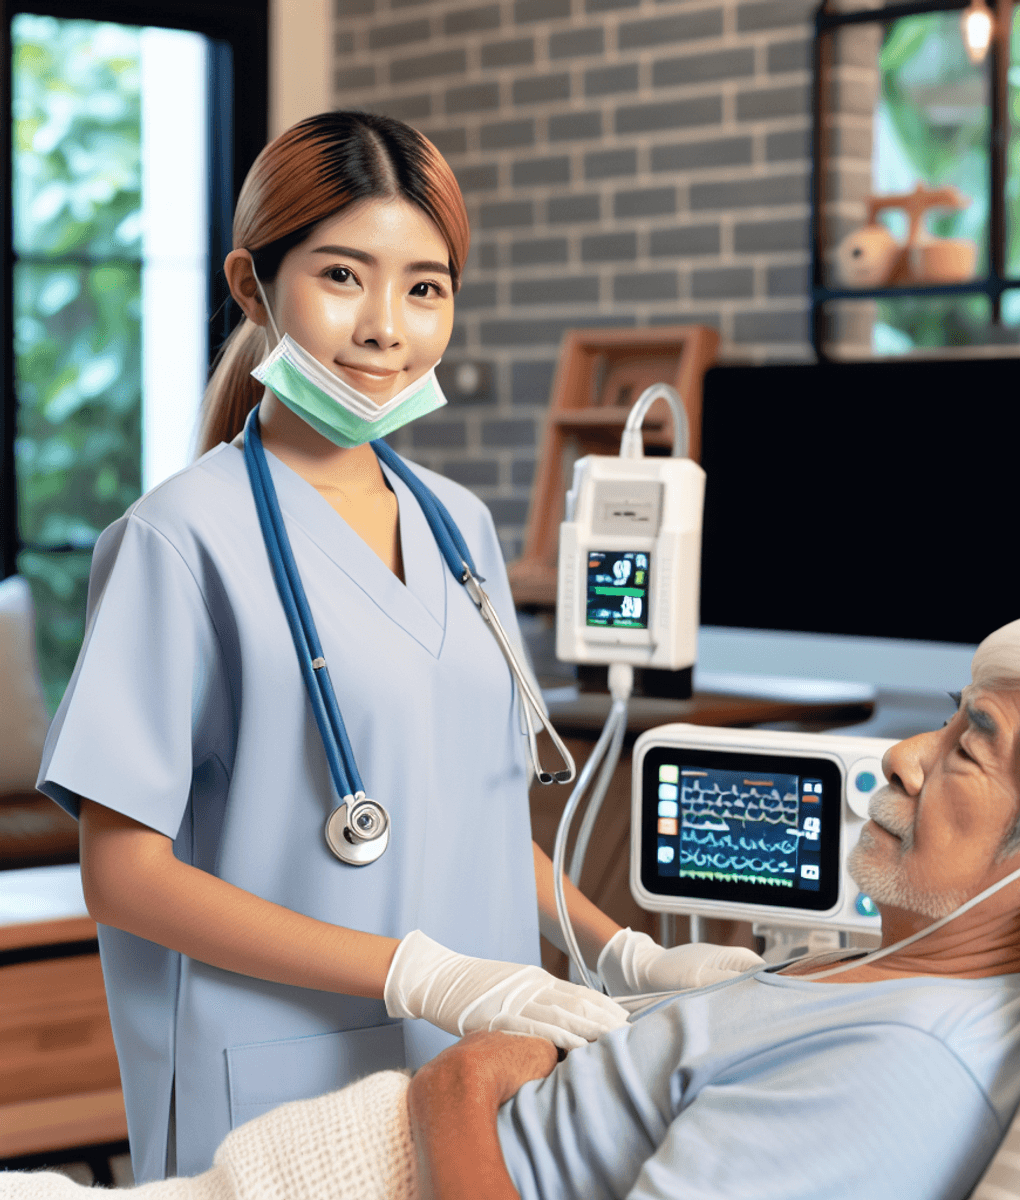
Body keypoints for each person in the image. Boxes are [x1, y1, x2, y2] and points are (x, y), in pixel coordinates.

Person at [34, 111, 758, 1185]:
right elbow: (125, 875)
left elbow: (462, 821)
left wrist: (620, 949)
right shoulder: (179, 540)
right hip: (284, 1084)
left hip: (482, 1075)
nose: (387, 328)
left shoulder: (459, 528)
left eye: (426, 288)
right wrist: (415, 973)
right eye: (342, 276)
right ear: (252, 285)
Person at [16, 608, 1020, 1199]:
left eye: (968, 748)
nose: (901, 756)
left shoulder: (904, 1069)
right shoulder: (885, 983)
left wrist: (462, 1079)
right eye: (946, 715)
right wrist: (635, 971)